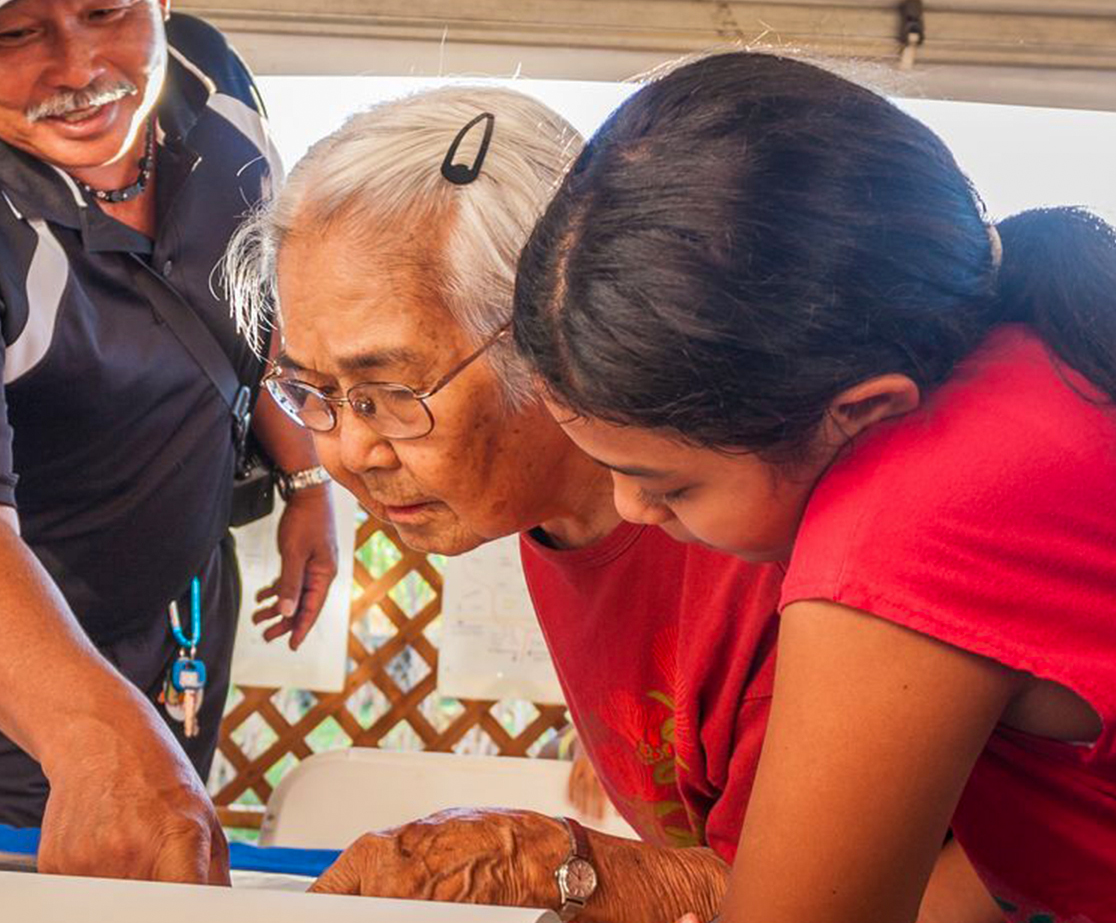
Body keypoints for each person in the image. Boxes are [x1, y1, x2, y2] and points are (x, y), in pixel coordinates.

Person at [514, 52, 1116, 922]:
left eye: (667, 485)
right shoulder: (1042, 355)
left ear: (860, 412)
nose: (629, 509)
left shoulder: (908, 520)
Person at [0, 0, 337, 883]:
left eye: (106, 10)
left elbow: (248, 296)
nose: (79, 68)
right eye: (12, 36)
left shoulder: (211, 75)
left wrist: (304, 472)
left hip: (175, 609)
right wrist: (100, 740)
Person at [224, 85, 790, 920]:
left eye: (390, 389)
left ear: (549, 321)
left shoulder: (758, 537)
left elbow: (898, 896)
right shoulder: (544, 511)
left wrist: (556, 865)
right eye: (311, 391)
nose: (349, 451)